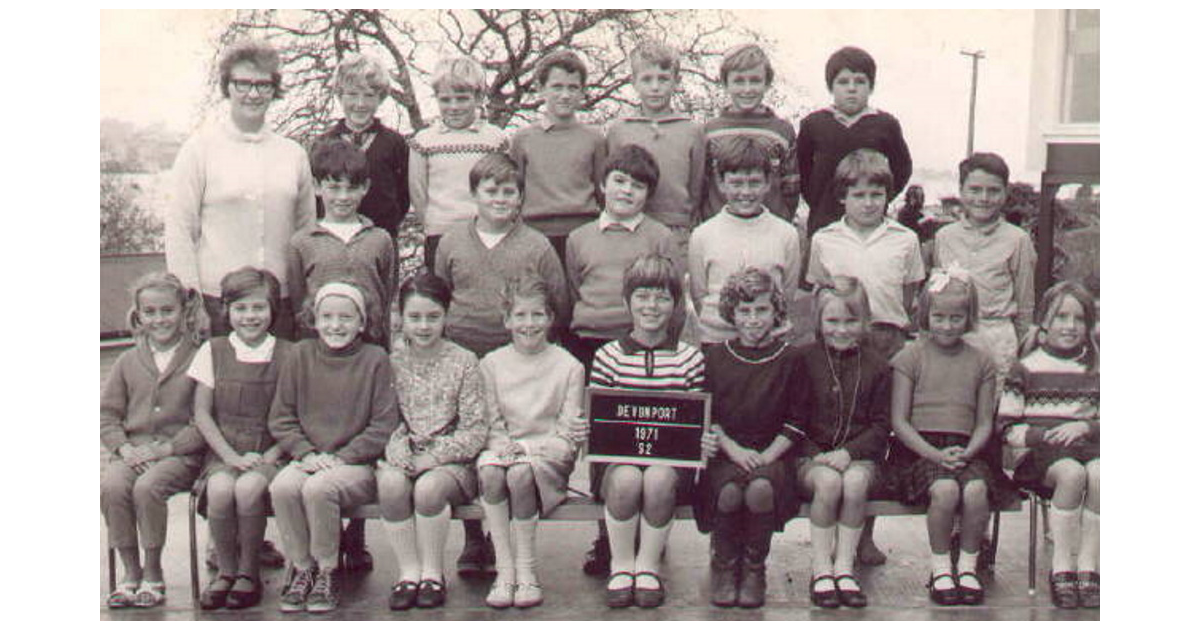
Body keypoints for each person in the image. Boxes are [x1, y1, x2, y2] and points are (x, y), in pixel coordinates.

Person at [165, 38, 316, 340]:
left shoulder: (293, 153)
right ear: (227, 87)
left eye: (263, 85)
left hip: (280, 305)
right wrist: (193, 303)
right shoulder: (199, 149)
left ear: (274, 90)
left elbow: (306, 233)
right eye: (242, 83)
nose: (253, 93)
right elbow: (179, 230)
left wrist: (303, 302)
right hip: (217, 304)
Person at [589, 255, 714, 608]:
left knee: (658, 478)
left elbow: (693, 420)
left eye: (662, 297)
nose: (651, 306)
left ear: (675, 305)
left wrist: (702, 439)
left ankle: (647, 566)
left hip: (670, 467)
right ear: (627, 301)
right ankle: (621, 564)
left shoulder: (689, 359)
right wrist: (586, 427)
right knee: (628, 478)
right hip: (617, 465)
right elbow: (600, 418)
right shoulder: (607, 356)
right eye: (642, 296)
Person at [268, 280, 400, 613]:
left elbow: (383, 425)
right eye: (327, 316)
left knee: (317, 490)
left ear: (362, 322)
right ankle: (302, 568)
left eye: (346, 317)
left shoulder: (375, 358)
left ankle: (328, 570)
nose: (336, 325)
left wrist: (341, 458)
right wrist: (308, 453)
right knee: (283, 486)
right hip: (310, 459)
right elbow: (281, 418)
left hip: (357, 465)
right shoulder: (300, 355)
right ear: (314, 318)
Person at [889, 268, 999, 606]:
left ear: (969, 317)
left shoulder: (982, 360)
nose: (947, 325)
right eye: (939, 316)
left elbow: (984, 422)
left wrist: (967, 452)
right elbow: (899, 421)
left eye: (956, 317)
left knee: (977, 490)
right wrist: (936, 456)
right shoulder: (910, 357)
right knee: (946, 489)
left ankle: (967, 567)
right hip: (920, 451)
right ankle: (941, 569)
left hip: (966, 449)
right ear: (925, 315)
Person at [378, 273, 487, 611]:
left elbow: (475, 429)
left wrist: (435, 457)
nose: (423, 326)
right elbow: (386, 419)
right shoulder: (391, 362)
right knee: (392, 485)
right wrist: (398, 452)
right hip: (406, 454)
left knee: (428, 489)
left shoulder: (464, 361)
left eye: (432, 317)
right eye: (414, 317)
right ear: (401, 318)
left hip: (453, 463)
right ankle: (409, 571)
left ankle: (432, 572)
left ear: (446, 316)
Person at [477, 276, 587, 608]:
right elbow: (491, 422)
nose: (529, 324)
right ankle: (504, 571)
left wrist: (524, 450)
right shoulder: (491, 364)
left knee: (519, 474)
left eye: (538, 315)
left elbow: (567, 432)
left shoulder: (570, 366)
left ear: (551, 319)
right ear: (507, 320)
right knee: (493, 473)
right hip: (503, 449)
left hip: (548, 455)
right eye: (520, 315)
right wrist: (500, 446)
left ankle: (526, 571)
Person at [697, 268, 803, 608]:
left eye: (761, 310)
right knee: (728, 492)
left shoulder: (790, 358)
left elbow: (797, 420)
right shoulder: (714, 356)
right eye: (745, 311)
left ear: (776, 312)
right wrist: (732, 449)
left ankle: (754, 567)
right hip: (727, 453)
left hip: (773, 455)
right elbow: (707, 413)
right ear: (732, 313)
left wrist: (767, 456)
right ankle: (725, 565)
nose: (753, 319)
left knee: (759, 489)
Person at [101, 272, 208, 609]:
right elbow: (107, 416)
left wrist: (168, 449)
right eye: (150, 312)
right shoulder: (128, 361)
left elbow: (205, 419)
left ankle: (152, 572)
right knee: (113, 485)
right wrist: (125, 448)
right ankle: (129, 574)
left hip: (181, 455)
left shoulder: (201, 355)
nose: (159, 319)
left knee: (148, 487)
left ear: (183, 312)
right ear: (139, 315)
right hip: (133, 454)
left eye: (167, 311)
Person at [189, 267, 292, 610]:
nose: (250, 317)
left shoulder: (289, 354)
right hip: (225, 451)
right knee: (220, 490)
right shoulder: (213, 350)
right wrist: (230, 457)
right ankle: (226, 571)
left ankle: (249, 572)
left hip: (271, 453)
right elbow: (202, 414)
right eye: (241, 308)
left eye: (259, 308)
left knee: (248, 489)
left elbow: (297, 417)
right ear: (227, 311)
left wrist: (273, 454)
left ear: (272, 310)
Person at [998, 281, 1100, 609]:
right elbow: (1006, 427)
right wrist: (1047, 436)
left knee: (1103, 474)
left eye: (1079, 319)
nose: (1070, 326)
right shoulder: (1026, 367)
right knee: (1071, 474)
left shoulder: (1098, 368)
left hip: (1089, 449)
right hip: (1040, 458)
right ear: (1044, 321)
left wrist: (1086, 426)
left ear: (1090, 324)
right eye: (1061, 317)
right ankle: (1061, 568)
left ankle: (1088, 567)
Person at [791, 278, 892, 609]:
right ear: (819, 321)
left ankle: (844, 568)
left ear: (865, 321)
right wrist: (817, 455)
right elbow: (793, 422)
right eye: (832, 321)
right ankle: (821, 568)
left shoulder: (878, 365)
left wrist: (849, 453)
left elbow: (881, 426)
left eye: (851, 321)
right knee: (830, 482)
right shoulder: (803, 360)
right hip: (812, 459)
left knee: (854, 481)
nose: (842, 329)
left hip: (861, 458)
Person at [435, 153, 570, 357]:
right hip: (460, 350)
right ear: (474, 193)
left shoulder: (538, 246)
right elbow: (440, 297)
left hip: (518, 352)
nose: (500, 199)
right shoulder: (451, 241)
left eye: (508, 192)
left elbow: (559, 305)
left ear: (520, 197)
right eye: (491, 191)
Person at [564, 144, 677, 371]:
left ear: (648, 194)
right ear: (603, 184)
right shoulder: (578, 238)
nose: (627, 191)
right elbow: (573, 291)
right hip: (587, 341)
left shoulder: (660, 237)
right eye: (620, 181)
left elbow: (675, 299)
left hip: (641, 341)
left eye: (637, 186)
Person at [807, 148, 924, 359]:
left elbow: (908, 292)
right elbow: (820, 294)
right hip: (841, 337)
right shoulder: (824, 239)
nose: (868, 203)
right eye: (859, 195)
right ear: (843, 196)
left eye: (876, 195)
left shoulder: (906, 239)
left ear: (887, 195)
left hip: (889, 339)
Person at [933, 152, 1036, 386]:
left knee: (994, 407)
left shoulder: (1018, 240)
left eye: (993, 191)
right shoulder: (944, 237)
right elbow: (937, 295)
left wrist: (1016, 346)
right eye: (975, 189)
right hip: (954, 333)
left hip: (997, 335)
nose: (983, 198)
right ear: (961, 190)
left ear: (1005, 193)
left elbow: (1025, 302)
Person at [690, 136, 800, 344]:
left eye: (754, 183)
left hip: (770, 342)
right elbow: (699, 296)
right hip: (717, 342)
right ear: (721, 183)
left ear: (768, 183)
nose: (746, 192)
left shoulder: (786, 234)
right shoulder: (703, 235)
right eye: (736, 183)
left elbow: (787, 293)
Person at [289, 138, 397, 350]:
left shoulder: (380, 239)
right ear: (318, 187)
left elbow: (387, 296)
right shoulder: (302, 242)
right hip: (319, 347)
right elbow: (298, 300)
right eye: (334, 187)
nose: (343, 197)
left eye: (352, 188)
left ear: (365, 187)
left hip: (369, 347)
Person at [795, 45, 912, 237]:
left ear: (871, 86)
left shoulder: (885, 124)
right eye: (843, 82)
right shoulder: (813, 123)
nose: (851, 88)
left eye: (860, 82)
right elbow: (801, 170)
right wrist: (818, 200)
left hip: (870, 222)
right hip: (824, 221)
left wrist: (877, 197)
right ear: (830, 86)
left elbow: (902, 167)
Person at [606, 40, 706, 260]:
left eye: (663, 79)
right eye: (647, 79)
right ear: (634, 81)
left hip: (676, 229)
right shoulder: (619, 130)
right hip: (629, 225)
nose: (655, 87)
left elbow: (696, 187)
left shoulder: (691, 130)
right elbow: (610, 183)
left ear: (676, 81)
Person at [410, 54, 509, 268]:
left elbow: (505, 186)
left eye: (462, 98)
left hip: (486, 232)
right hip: (440, 234)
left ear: (478, 97)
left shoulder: (495, 139)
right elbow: (418, 191)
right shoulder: (424, 141)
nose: (453, 107)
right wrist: (431, 223)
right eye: (445, 100)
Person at [511, 49, 607, 262]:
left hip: (584, 233)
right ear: (540, 89)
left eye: (573, 88)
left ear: (582, 92)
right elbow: (515, 192)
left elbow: (603, 193)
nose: (565, 95)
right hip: (535, 235)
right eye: (557, 87)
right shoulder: (523, 138)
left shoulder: (594, 138)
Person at [315, 53, 410, 240]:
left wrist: (387, 225)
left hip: (382, 239)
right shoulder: (323, 143)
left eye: (369, 95)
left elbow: (403, 195)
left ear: (381, 98)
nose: (360, 104)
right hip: (333, 239)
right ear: (339, 96)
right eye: (352, 94)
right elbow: (316, 196)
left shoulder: (395, 143)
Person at [700, 43, 800, 222]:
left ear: (767, 83)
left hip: (769, 231)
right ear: (725, 83)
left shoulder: (782, 131)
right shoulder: (710, 131)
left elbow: (791, 188)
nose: (747, 89)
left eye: (755, 80)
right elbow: (702, 185)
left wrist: (781, 220)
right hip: (720, 232)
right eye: (739, 81)